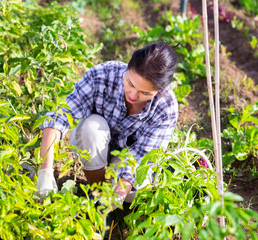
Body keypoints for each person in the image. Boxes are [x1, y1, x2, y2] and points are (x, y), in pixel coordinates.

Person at [36, 41, 179, 205]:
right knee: (90, 127)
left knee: (136, 195)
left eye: (144, 93)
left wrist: (117, 196)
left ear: (160, 89)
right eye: (130, 83)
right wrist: (45, 171)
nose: (132, 95)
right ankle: (96, 190)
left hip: (127, 161)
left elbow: (143, 157)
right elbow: (60, 116)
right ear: (129, 63)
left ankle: (109, 203)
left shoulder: (166, 107)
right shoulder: (103, 75)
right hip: (94, 147)